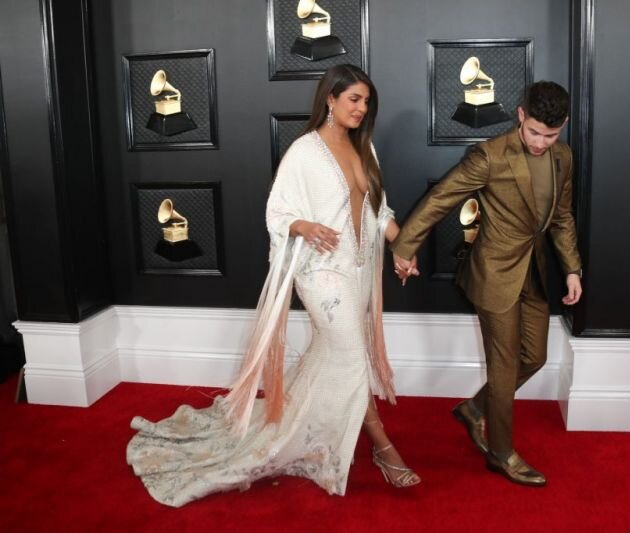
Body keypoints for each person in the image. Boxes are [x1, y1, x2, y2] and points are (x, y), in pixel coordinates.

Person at [127, 64, 420, 507]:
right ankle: (383, 447)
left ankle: (311, 427)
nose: (361, 108)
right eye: (353, 99)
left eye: (366, 101)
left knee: (338, 355)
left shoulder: (365, 149)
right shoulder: (304, 151)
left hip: (359, 271)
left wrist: (404, 250)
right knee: (349, 355)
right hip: (320, 274)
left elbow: (380, 213)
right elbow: (276, 212)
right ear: (330, 99)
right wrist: (303, 224)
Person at [391, 81, 582, 487]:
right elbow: (440, 199)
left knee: (535, 358)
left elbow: (562, 217)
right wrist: (404, 248)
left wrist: (572, 269)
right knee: (504, 365)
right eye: (533, 132)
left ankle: (474, 409)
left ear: (562, 126)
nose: (540, 142)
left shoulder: (563, 157)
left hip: (535, 273)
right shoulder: (490, 156)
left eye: (550, 135)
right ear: (519, 116)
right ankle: (501, 453)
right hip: (495, 274)